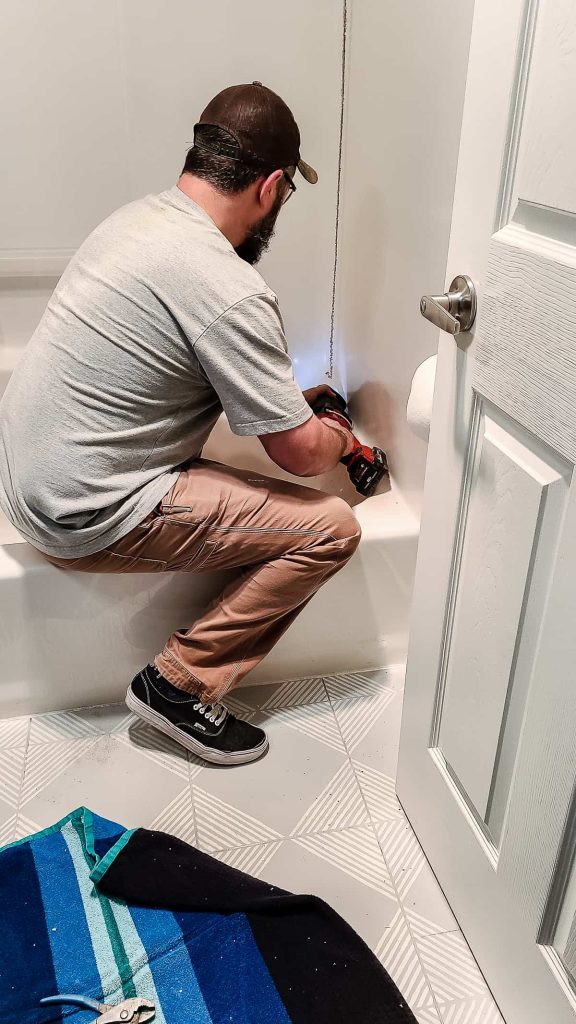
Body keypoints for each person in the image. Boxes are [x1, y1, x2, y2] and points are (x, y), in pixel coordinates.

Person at [0, 82, 361, 766]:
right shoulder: (229, 287)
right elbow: (304, 457)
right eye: (285, 197)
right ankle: (177, 685)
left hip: (27, 479)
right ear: (272, 186)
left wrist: (288, 397)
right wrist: (339, 435)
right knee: (332, 530)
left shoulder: (137, 219)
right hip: (81, 512)